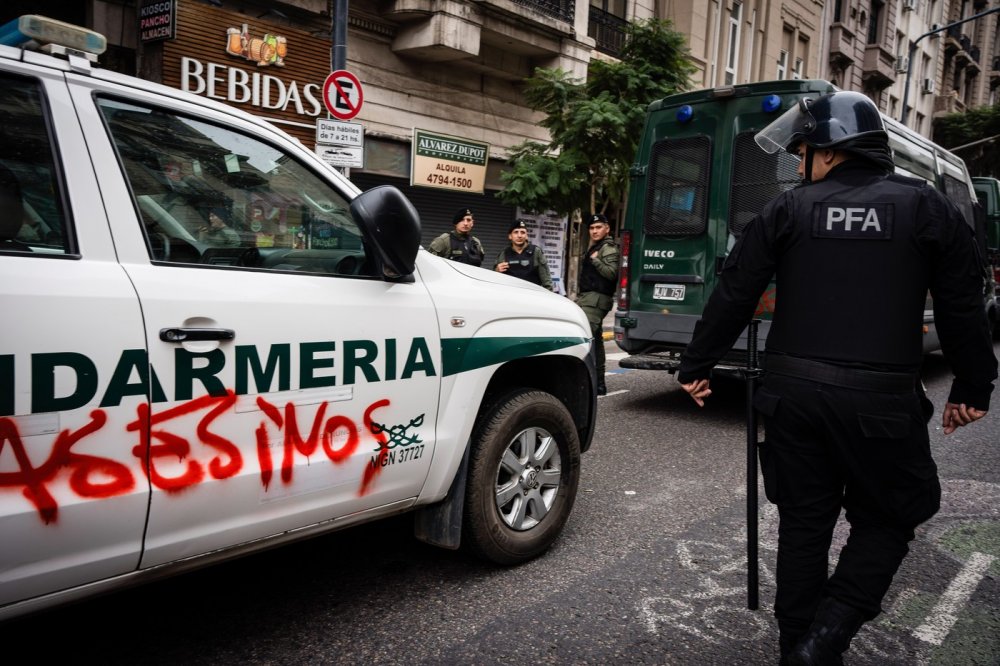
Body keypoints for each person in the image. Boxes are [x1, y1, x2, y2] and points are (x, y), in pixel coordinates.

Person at [676, 91, 997, 665]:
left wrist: (696, 365)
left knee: (804, 527)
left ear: (827, 151)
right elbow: (962, 306)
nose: (799, 163)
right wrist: (973, 387)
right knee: (893, 517)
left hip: (793, 399)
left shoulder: (788, 209)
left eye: (802, 151)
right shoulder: (926, 207)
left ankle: (795, 647)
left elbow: (735, 291)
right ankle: (825, 638)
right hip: (881, 403)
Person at [576, 213, 620, 395]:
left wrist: (595, 260)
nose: (595, 231)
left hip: (596, 300)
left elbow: (612, 273)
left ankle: (584, 382)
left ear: (607, 228)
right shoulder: (597, 247)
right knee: (596, 343)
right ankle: (599, 383)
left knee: (583, 339)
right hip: (589, 299)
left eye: (598, 227)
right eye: (592, 228)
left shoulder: (608, 248)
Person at [493, 219, 553, 290]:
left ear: (527, 236)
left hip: (532, 296)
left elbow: (547, 282)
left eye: (522, 232)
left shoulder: (536, 252)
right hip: (511, 296)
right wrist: (496, 271)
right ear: (510, 236)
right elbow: (495, 280)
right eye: (516, 232)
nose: (519, 235)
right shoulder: (504, 254)